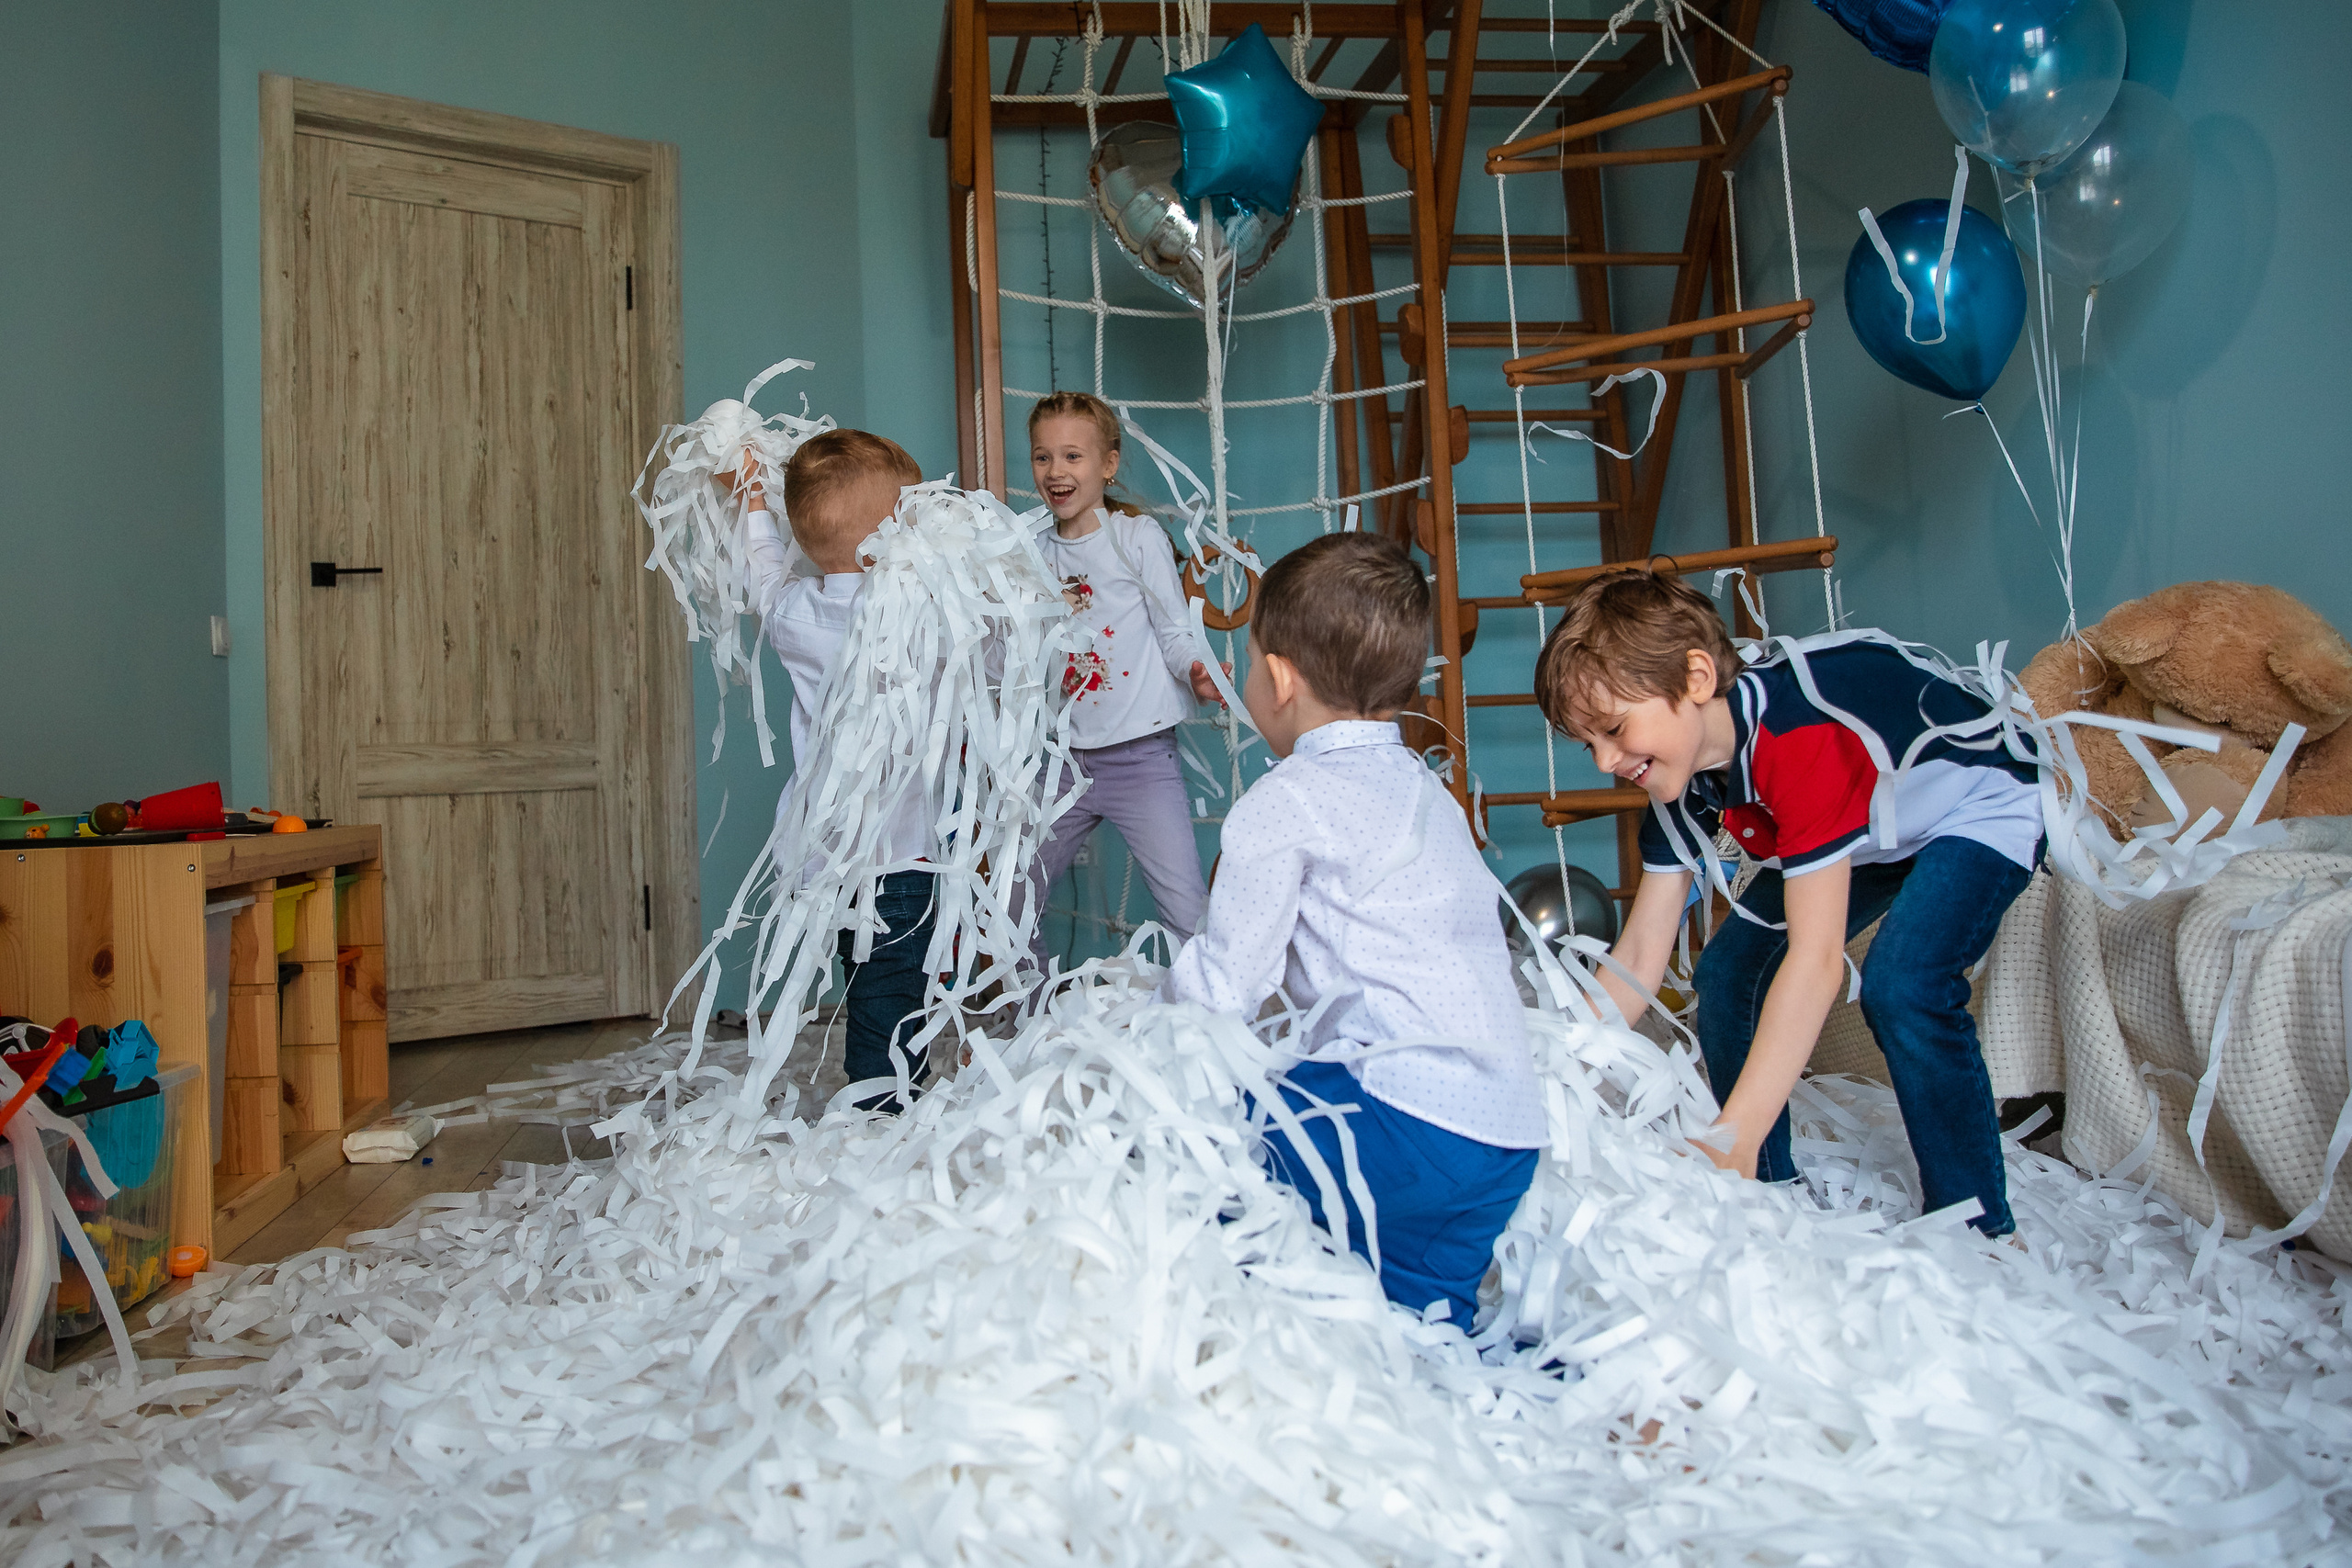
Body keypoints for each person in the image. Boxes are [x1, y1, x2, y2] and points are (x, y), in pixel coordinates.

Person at [1533, 570, 2042, 1235]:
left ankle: (1974, 1224)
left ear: (1693, 679)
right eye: (1588, 743)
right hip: (1873, 830)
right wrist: (1556, 1076)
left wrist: (1730, 1132)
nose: (1604, 760)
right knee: (1726, 972)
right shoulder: (1676, 777)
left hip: (1981, 803)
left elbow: (1817, 960)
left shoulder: (1797, 740)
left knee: (1905, 983)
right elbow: (1639, 950)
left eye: (1615, 729)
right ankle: (1765, 1186)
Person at [1159, 533, 1547, 1329]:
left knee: (1197, 1152)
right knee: (1422, 1330)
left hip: (1399, 1119)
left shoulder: (1286, 800)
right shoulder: (1426, 791)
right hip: (1504, 1135)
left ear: (1277, 678)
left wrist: (1143, 1037)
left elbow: (1225, 986)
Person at [739, 429, 937, 1111]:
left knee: (868, 982)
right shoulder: (915, 612)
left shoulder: (797, 613)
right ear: (888, 534)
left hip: (829, 863)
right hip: (900, 859)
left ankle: (889, 1088)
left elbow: (763, 574)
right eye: (913, 511)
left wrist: (750, 503)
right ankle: (881, 1112)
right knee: (892, 993)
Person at [1023, 392, 1226, 967]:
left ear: (1108, 464)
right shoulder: (1030, 550)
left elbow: (1173, 631)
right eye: (1043, 458)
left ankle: (1205, 1022)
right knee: (1009, 899)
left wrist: (1198, 670)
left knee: (1186, 909)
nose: (1057, 472)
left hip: (1140, 757)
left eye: (1072, 456)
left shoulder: (1136, 539)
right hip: (1064, 763)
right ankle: (1028, 1021)